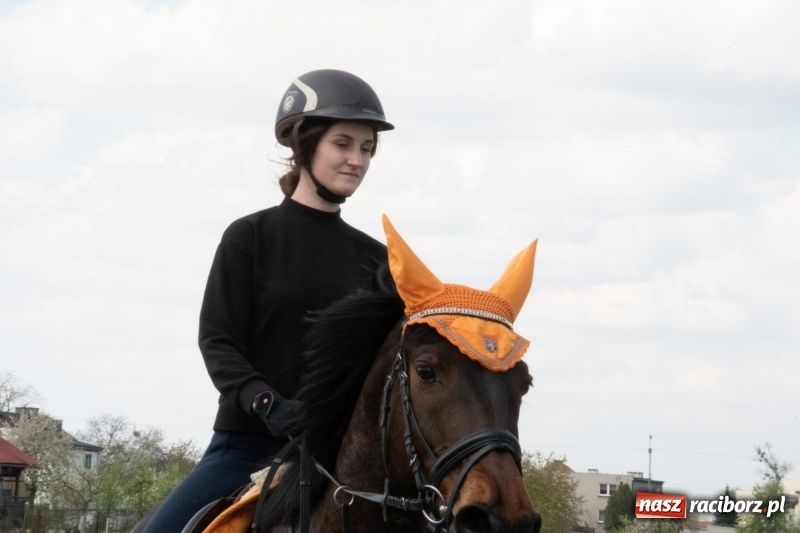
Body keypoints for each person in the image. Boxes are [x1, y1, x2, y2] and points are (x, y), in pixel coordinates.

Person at [142, 69, 394, 533]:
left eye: (367, 148)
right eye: (343, 144)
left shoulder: (379, 260)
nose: (356, 160)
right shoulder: (249, 237)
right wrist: (268, 403)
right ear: (304, 145)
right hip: (247, 447)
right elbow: (218, 341)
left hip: (340, 460)